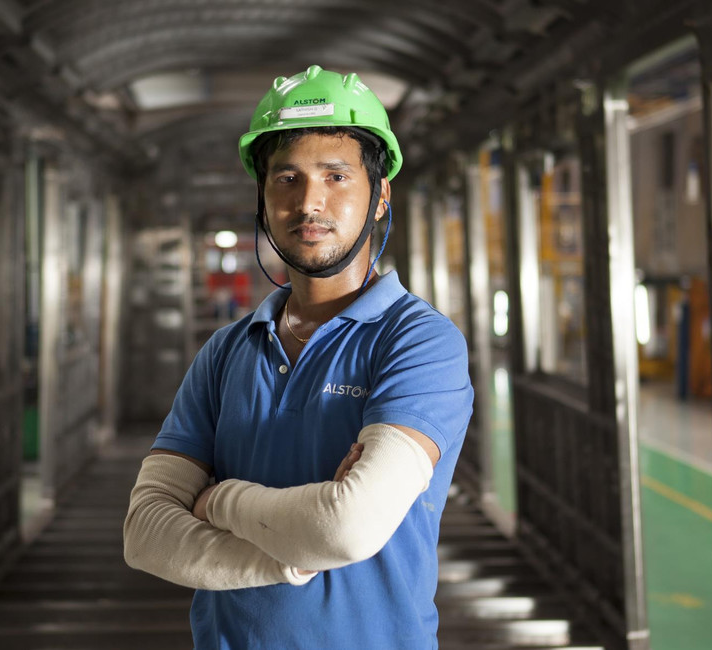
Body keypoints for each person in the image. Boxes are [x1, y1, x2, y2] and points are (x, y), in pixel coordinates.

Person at [123, 64, 473, 649]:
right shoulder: (226, 351)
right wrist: (286, 561)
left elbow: (348, 526)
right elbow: (144, 534)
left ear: (381, 195)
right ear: (262, 197)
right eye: (287, 177)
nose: (310, 201)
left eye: (336, 175)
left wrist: (216, 500)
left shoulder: (418, 343)